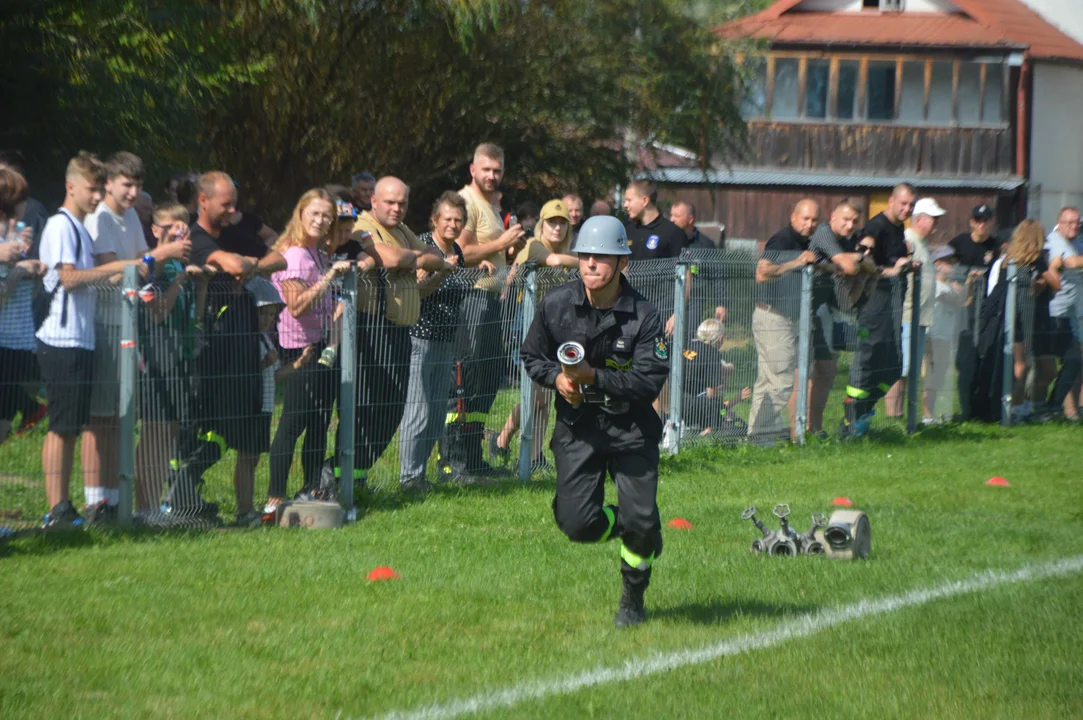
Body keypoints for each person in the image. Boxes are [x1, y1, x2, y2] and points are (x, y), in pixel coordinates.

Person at [520, 215, 669, 628]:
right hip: (578, 430)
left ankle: (633, 598)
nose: (590, 264)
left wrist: (594, 378)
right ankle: (641, 526)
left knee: (639, 523)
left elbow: (649, 380)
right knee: (577, 524)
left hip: (632, 430)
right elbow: (533, 357)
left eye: (601, 257)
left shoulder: (645, 315)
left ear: (622, 261)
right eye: (584, 256)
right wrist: (558, 379)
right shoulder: (556, 304)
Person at [163, 171, 286, 521]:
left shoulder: (234, 231)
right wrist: (241, 265)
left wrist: (250, 266)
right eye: (225, 203)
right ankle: (180, 496)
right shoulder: (195, 237)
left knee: (237, 424)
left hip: (242, 343)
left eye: (234, 201)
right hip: (206, 344)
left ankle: (207, 499)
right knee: (203, 422)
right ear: (203, 201)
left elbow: (280, 259)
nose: (233, 209)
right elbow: (230, 263)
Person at [83, 151, 192, 523]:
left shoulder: (130, 215)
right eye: (126, 184)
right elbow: (110, 275)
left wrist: (166, 257)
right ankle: (96, 500)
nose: (132, 193)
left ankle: (114, 501)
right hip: (104, 325)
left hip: (131, 327)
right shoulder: (99, 218)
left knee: (118, 418)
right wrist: (160, 254)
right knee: (100, 419)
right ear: (108, 183)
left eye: (138, 185)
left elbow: (145, 270)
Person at [326, 176, 449, 493]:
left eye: (402, 203)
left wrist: (415, 259)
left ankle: (356, 475)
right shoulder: (361, 226)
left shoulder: (402, 230)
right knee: (366, 407)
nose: (397, 208)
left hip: (400, 330)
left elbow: (438, 257)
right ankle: (338, 475)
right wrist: (411, 258)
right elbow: (392, 258)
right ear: (374, 201)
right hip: (371, 328)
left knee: (393, 408)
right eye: (390, 202)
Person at [36, 153, 138, 529]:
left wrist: (116, 276)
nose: (96, 197)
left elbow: (87, 277)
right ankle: (56, 508)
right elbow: (68, 278)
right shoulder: (61, 225)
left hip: (82, 338)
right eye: (91, 189)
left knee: (72, 426)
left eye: (99, 189)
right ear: (71, 186)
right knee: (61, 428)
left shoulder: (80, 227)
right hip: (60, 339)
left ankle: (66, 506)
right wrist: (115, 268)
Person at [264, 190, 351, 515]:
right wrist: (329, 277)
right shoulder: (296, 254)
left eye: (327, 216)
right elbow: (296, 307)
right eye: (315, 214)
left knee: (318, 425)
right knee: (292, 425)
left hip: (320, 348)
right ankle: (274, 499)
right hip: (297, 349)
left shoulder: (317, 253)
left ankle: (311, 490)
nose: (321, 220)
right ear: (300, 214)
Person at [444, 143, 526, 478]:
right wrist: (502, 242)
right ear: (472, 170)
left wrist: (510, 250)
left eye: (498, 170)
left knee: (486, 383)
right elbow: (460, 252)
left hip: (491, 301)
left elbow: (489, 252)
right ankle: (452, 461)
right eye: (486, 169)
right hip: (470, 300)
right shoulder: (466, 202)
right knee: (465, 384)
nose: (492, 176)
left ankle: (474, 458)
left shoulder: (490, 205)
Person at [399, 192, 488, 489]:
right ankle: (408, 477)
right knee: (418, 409)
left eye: (458, 220)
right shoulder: (426, 247)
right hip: (420, 338)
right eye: (447, 219)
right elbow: (418, 290)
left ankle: (421, 475)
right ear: (435, 220)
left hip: (446, 339)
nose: (453, 224)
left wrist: (473, 270)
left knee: (437, 413)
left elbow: (456, 284)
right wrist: (440, 271)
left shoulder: (458, 252)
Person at [134, 203, 211, 520]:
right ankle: (145, 507)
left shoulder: (181, 266)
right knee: (153, 431)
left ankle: (157, 504)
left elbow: (197, 315)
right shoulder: (152, 266)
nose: (179, 231)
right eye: (170, 226)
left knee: (170, 431)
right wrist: (179, 280)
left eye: (183, 225)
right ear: (155, 230)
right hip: (156, 356)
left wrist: (201, 282)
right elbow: (157, 313)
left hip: (181, 355)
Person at [491, 199, 579, 470]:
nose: (557, 228)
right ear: (542, 224)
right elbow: (552, 261)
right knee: (537, 396)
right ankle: (503, 439)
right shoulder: (535, 246)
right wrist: (585, 261)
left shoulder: (565, 253)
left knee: (546, 398)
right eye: (552, 222)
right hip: (528, 329)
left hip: (554, 333)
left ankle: (534, 456)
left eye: (562, 223)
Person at [840, 183, 916, 437]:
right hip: (873, 304)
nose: (907, 209)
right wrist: (893, 270)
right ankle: (850, 421)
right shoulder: (876, 226)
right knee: (868, 360)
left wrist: (905, 264)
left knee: (893, 366)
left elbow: (888, 259)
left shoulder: (898, 227)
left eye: (911, 205)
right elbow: (863, 259)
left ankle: (862, 413)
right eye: (903, 203)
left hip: (892, 304)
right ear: (891, 201)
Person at [747, 199, 820, 441]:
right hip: (773, 317)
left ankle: (757, 436)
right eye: (805, 218)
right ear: (793, 217)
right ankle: (760, 434)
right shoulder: (783, 239)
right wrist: (797, 262)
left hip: (784, 318)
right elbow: (762, 272)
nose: (809, 224)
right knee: (782, 382)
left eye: (814, 220)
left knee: (766, 382)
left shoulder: (805, 242)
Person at [805, 199, 866, 437]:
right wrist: (860, 259)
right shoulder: (824, 234)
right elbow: (850, 266)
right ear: (832, 216)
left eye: (854, 221)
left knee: (826, 371)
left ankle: (814, 428)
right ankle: (802, 430)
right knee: (812, 372)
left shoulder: (846, 240)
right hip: (805, 309)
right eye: (845, 219)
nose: (850, 225)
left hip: (822, 311)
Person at [885, 197, 945, 418]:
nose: (936, 223)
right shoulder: (908, 239)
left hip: (920, 316)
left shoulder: (922, 244)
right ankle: (893, 414)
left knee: (909, 370)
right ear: (919, 219)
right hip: (908, 313)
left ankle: (902, 415)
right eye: (933, 218)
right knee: (901, 369)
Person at [0, 167, 47, 445]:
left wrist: (35, 273)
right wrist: (18, 271)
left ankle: (31, 408)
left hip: (16, 338)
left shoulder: (16, 241)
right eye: (19, 200)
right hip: (5, 341)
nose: (24, 207)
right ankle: (32, 408)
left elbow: (28, 296)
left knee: (4, 416)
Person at [950, 204, 998, 419]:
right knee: (964, 361)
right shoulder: (958, 243)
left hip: (986, 310)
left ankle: (981, 408)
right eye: (978, 221)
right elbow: (943, 267)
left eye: (986, 220)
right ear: (971, 222)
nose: (982, 225)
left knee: (984, 357)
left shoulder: (995, 246)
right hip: (963, 311)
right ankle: (965, 408)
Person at [1037, 207, 1083, 420]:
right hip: (1053, 313)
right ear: (1060, 223)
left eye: (1077, 222)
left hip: (1072, 314)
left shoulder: (1077, 242)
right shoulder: (1054, 241)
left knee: (1074, 360)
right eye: (1070, 222)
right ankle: (1036, 407)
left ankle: (1055, 407)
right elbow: (1069, 262)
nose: (1074, 226)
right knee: (1047, 367)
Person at [680, 319, 751, 437]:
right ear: (721, 338)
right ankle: (708, 432)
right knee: (717, 406)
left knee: (720, 408)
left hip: (668, 399)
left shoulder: (688, 344)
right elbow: (711, 396)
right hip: (688, 406)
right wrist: (736, 398)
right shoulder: (712, 353)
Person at [924, 245, 968, 423]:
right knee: (931, 376)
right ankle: (926, 415)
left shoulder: (949, 286)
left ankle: (931, 414)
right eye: (949, 263)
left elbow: (962, 301)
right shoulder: (935, 285)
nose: (954, 266)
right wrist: (967, 287)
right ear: (937, 264)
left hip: (944, 336)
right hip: (933, 335)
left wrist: (961, 290)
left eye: (955, 262)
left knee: (939, 377)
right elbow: (957, 301)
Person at [623, 180, 687, 260]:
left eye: (629, 200)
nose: (625, 205)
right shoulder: (627, 230)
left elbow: (683, 269)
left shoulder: (673, 232)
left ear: (644, 201)